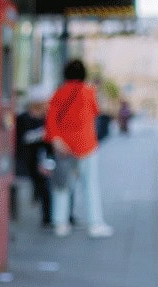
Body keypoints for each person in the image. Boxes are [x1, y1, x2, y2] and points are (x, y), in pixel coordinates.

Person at [45, 59, 113, 239]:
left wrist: (56, 139)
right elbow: (96, 111)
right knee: (90, 185)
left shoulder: (59, 93)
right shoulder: (88, 92)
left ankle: (60, 224)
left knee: (62, 186)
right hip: (86, 145)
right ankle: (95, 224)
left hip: (64, 147)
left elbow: (51, 119)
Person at [15, 85, 55, 228]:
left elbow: (50, 143)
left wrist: (49, 161)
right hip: (25, 159)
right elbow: (19, 140)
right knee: (39, 182)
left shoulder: (47, 118)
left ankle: (48, 217)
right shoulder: (22, 118)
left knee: (45, 184)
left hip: (42, 158)